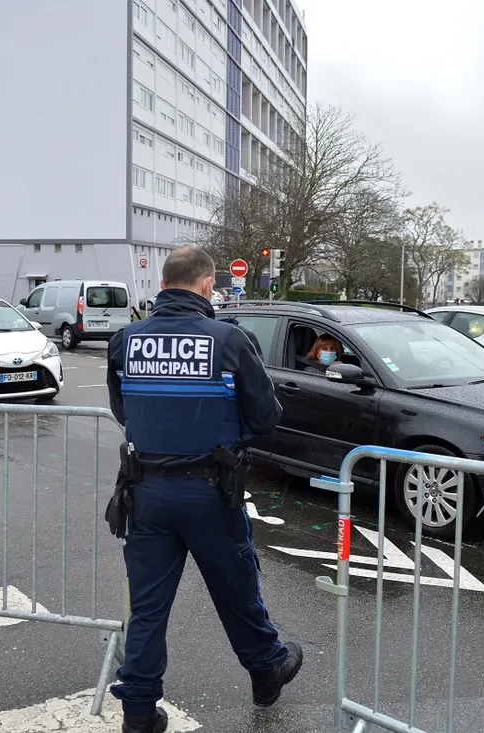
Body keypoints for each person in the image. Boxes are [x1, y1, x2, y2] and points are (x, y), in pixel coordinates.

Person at [105, 246, 303, 733]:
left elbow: (123, 411)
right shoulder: (229, 341)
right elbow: (266, 418)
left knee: (147, 606)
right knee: (236, 588)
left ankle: (138, 712)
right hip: (210, 492)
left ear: (164, 284)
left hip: (146, 491)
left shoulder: (126, 340)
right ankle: (266, 668)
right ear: (207, 284)